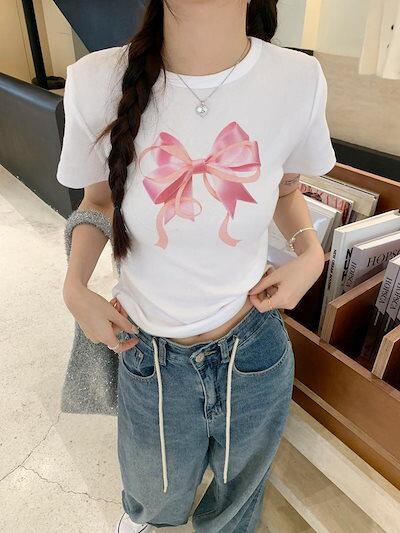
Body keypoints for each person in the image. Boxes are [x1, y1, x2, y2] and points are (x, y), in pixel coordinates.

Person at [56, 1, 336, 531]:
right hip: (149, 354)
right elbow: (98, 201)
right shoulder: (94, 81)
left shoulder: (299, 79)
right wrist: (74, 286)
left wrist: (311, 254)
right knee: (151, 497)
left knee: (237, 503)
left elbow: (286, 188)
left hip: (254, 352)